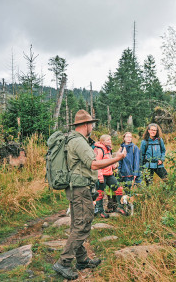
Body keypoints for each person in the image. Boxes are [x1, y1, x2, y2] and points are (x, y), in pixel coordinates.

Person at [53, 110, 126, 281]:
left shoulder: (74, 139)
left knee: (77, 223)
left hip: (76, 187)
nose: (92, 127)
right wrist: (118, 158)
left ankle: (82, 259)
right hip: (80, 189)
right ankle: (63, 262)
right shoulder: (79, 142)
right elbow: (93, 164)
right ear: (86, 125)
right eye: (91, 124)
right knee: (83, 224)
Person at [93, 134, 129, 218]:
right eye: (107, 140)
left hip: (109, 174)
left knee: (119, 189)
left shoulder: (109, 149)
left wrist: (114, 165)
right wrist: (100, 176)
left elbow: (108, 161)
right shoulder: (100, 150)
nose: (110, 141)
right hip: (102, 175)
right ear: (102, 141)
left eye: (110, 140)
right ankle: (99, 211)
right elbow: (97, 164)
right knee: (100, 193)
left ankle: (119, 207)